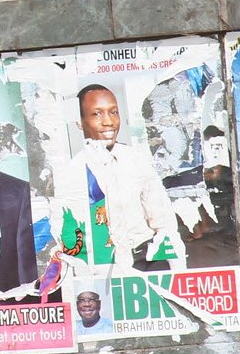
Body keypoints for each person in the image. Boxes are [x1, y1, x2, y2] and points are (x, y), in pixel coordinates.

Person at [76, 85, 186, 268]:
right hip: (101, 267)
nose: (108, 121)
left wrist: (177, 269)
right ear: (80, 121)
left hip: (144, 262)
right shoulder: (75, 170)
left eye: (114, 112)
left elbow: (163, 221)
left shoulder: (137, 160)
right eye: (97, 114)